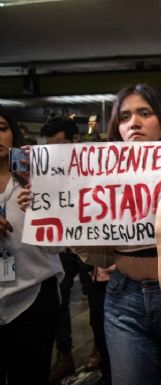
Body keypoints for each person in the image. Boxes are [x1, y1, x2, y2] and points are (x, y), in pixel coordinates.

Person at [70, 84, 161, 385]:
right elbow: (93, 253)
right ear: (117, 127)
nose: (133, 122)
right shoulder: (99, 178)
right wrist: (59, 214)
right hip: (124, 298)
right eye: (124, 117)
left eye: (144, 113)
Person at [0, 110, 64, 385]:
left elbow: (58, 247)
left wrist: (43, 210)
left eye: (1, 127)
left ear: (13, 132)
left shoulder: (38, 179)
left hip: (35, 295)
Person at [37, 116, 97, 384]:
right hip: (61, 244)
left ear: (76, 141)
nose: (54, 153)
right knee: (60, 301)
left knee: (95, 297)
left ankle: (100, 348)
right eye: (49, 147)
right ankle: (64, 355)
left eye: (59, 146)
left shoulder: (95, 167)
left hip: (91, 240)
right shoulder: (46, 170)